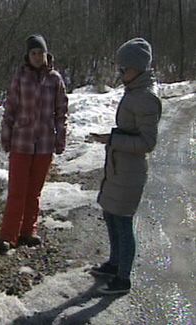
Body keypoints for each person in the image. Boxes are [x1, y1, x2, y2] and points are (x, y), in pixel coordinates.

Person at [91, 38, 162, 294]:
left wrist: (113, 140)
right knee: (110, 215)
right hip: (119, 168)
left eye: (124, 69)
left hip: (130, 172)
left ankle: (123, 279)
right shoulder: (135, 91)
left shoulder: (145, 97)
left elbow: (147, 142)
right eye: (119, 69)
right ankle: (114, 263)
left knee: (122, 223)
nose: (121, 74)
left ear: (139, 68)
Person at [0, 34, 68, 252]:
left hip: (44, 145)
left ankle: (29, 231)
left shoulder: (55, 79)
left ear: (47, 55)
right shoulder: (20, 77)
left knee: (34, 192)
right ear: (28, 56)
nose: (38, 57)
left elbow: (61, 112)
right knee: (17, 190)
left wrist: (60, 136)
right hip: (21, 142)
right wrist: (6, 134)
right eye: (34, 53)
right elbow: (10, 108)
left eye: (41, 53)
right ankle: (9, 235)